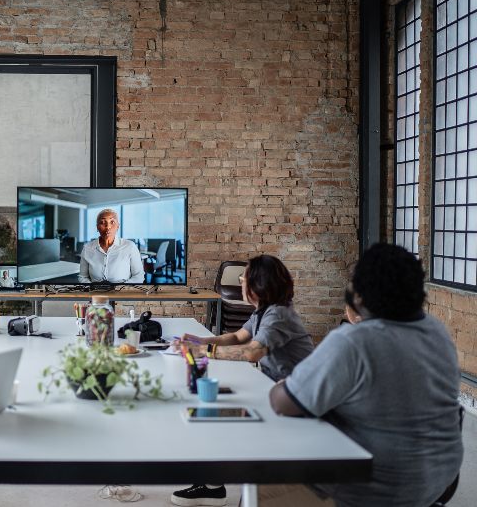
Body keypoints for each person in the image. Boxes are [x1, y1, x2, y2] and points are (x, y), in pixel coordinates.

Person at [267, 243, 463, 507]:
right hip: (437, 483)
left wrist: (283, 385)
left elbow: (283, 403)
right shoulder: (437, 332)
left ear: (358, 296)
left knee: (261, 486)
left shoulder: (354, 341)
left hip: (373, 487)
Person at [170, 255, 314, 507]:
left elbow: (252, 352)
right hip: (272, 390)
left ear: (258, 284)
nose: (240, 281)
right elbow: (238, 336)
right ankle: (214, 486)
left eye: (244, 278)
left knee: (214, 414)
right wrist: (201, 341)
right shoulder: (264, 311)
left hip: (292, 401)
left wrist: (205, 352)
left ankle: (218, 487)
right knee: (208, 410)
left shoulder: (278, 315)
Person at [78, 208, 144, 283]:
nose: (108, 227)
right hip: (95, 293)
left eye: (112, 222)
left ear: (118, 226)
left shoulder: (130, 246)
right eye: (102, 222)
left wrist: (118, 290)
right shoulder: (87, 248)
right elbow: (83, 277)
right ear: (97, 227)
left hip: (121, 293)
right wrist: (93, 289)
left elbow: (138, 276)